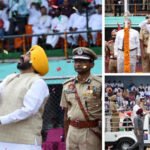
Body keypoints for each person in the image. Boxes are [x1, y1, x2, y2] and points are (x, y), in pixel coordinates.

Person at [0, 45, 49, 150]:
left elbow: (29, 110)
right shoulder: (10, 78)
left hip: (25, 143)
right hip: (2, 140)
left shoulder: (38, 82)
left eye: (28, 55)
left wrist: (2, 120)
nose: (22, 56)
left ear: (35, 61)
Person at [60, 47, 101, 150]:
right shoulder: (67, 85)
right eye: (76, 61)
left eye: (82, 61)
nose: (78, 64)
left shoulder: (99, 84)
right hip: (72, 131)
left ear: (92, 64)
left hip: (91, 131)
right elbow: (66, 115)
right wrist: (67, 137)